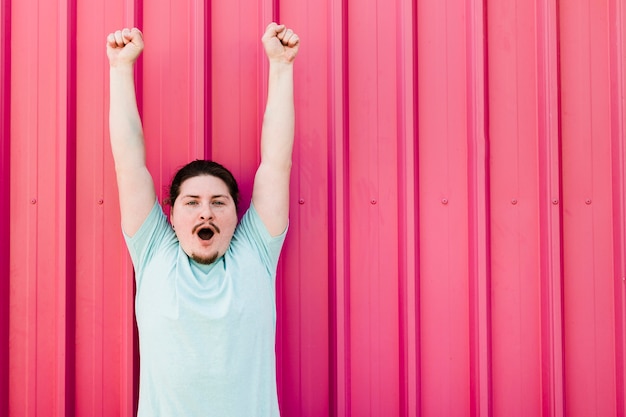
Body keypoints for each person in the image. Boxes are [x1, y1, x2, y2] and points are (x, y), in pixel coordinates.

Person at [106, 22, 299, 416]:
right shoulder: (154, 252)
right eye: (191, 202)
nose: (206, 211)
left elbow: (277, 163)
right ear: (171, 217)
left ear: (236, 213)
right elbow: (128, 164)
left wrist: (281, 67)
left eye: (218, 202)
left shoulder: (255, 253)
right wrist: (120, 69)